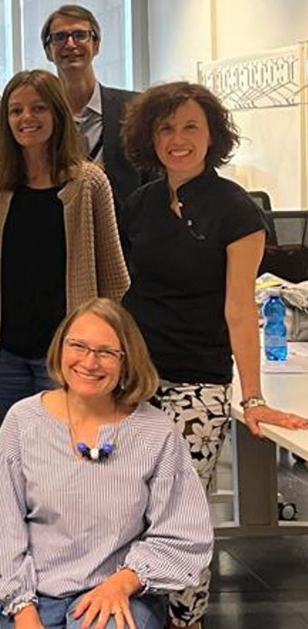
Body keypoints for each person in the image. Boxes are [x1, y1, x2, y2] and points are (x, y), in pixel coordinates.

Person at [119, 81, 308, 628]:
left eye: (190, 127)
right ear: (150, 136)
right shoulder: (139, 204)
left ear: (212, 136)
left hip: (197, 382)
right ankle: (137, 611)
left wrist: (254, 397)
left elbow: (240, 310)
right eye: (166, 128)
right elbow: (128, 292)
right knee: (131, 507)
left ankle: (186, 619)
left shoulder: (236, 209)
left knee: (182, 512)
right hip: (135, 380)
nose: (177, 139)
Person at [0, 297, 214, 629]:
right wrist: (22, 609)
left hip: (119, 590)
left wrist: (124, 582)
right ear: (60, 349)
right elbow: (2, 529)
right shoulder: (23, 421)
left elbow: (183, 534)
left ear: (127, 362)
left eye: (106, 353)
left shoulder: (156, 431)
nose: (89, 362)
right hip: (36, 595)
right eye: (78, 346)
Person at [0, 69, 129, 420]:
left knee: (67, 444)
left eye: (38, 108)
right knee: (18, 444)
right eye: (16, 110)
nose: (27, 118)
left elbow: (113, 275)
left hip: (70, 350)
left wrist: (108, 347)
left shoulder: (89, 182)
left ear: (58, 114)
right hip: (6, 350)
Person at [42, 4, 150, 243]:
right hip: (58, 241)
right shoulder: (38, 118)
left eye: (80, 35)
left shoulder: (135, 109)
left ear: (96, 45)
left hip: (127, 245)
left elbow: (154, 181)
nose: (70, 44)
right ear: (48, 51)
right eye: (59, 37)